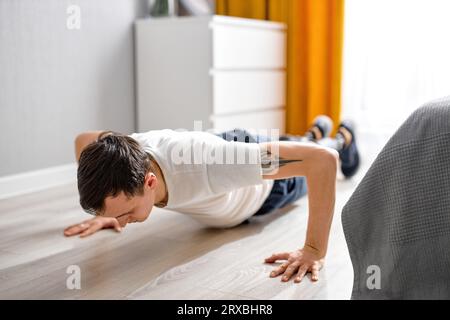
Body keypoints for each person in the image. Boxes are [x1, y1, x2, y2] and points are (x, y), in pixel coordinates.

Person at [64, 116, 360, 283]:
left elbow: (323, 163)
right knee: (289, 146)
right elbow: (83, 140)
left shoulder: (212, 165)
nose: (122, 223)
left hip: (265, 190)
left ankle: (341, 136)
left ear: (149, 182)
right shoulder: (126, 153)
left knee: (322, 152)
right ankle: (310, 132)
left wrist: (312, 250)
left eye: (126, 213)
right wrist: (109, 209)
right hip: (228, 146)